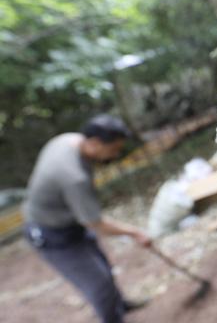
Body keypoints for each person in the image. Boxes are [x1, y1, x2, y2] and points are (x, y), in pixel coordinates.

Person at [22, 114, 151, 323]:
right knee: (99, 285)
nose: (116, 154)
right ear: (94, 143)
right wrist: (135, 232)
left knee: (103, 267)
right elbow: (95, 224)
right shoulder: (74, 177)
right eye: (114, 149)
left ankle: (121, 305)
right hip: (51, 234)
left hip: (70, 221)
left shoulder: (66, 139)